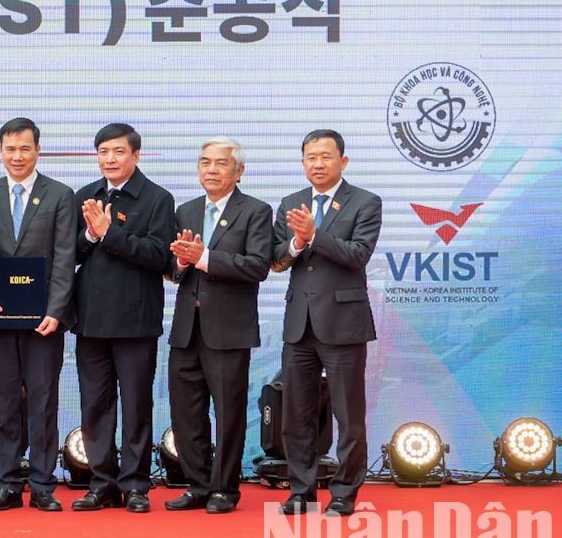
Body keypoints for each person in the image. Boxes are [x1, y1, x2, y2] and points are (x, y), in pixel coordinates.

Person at [271, 129, 381, 517]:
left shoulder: (365, 203)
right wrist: (296, 243)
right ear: (302, 163)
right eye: (310, 157)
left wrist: (314, 235)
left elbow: (357, 255)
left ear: (343, 161)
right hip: (299, 325)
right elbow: (276, 260)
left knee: (348, 416)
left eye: (325, 156)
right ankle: (300, 491)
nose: (317, 164)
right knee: (296, 414)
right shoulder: (290, 203)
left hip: (343, 324)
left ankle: (344, 494)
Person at [69, 122, 177, 513]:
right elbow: (69, 255)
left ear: (135, 155)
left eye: (118, 152)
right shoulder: (85, 196)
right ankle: (103, 483)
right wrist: (92, 236)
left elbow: (158, 256)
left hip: (135, 320)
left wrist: (109, 233)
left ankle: (135, 484)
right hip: (91, 320)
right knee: (95, 405)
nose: (109, 159)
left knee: (135, 404)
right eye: (103, 152)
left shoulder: (157, 199)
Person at [165, 137, 273, 515]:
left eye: (220, 163)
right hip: (186, 329)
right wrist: (180, 262)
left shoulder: (256, 211)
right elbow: (174, 269)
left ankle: (224, 489)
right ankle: (197, 485)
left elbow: (258, 266)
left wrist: (205, 257)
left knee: (227, 413)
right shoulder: (186, 210)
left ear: (238, 171)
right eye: (204, 162)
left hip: (228, 330)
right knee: (186, 413)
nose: (210, 169)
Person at [0, 117, 76, 513]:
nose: (17, 156)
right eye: (10, 149)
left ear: (38, 150)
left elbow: (65, 258)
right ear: (0, 151)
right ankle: (6, 485)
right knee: (2, 402)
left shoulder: (59, 195)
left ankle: (43, 485)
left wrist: (56, 311)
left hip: (44, 322)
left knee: (42, 400)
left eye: (25, 148)